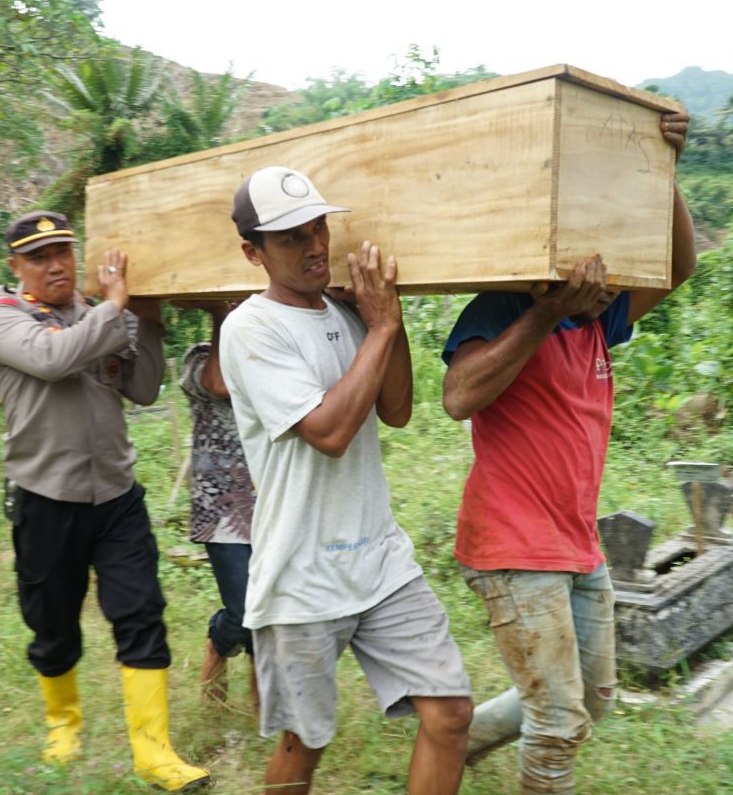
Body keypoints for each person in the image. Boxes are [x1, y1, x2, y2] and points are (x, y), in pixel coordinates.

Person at [439, 113, 696, 794]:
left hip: (577, 544)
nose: (611, 277)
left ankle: (456, 744)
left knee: (593, 701)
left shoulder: (599, 322)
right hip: (514, 544)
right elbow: (459, 396)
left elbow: (680, 269)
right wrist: (547, 313)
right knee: (557, 722)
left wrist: (665, 170)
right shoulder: (503, 309)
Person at [219, 166, 473, 795]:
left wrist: (391, 317)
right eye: (291, 239)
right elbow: (330, 434)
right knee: (303, 746)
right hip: (301, 576)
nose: (315, 247)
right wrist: (382, 327)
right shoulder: (250, 329)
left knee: (451, 714)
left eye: (318, 228)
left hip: (379, 561)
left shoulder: (347, 311)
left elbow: (397, 409)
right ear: (253, 252)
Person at [0, 210, 209, 791]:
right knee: (52, 623)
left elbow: (143, 387)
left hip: (116, 496)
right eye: (38, 256)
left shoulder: (93, 312)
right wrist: (117, 306)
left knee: (141, 612)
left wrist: (147, 324)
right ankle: (63, 725)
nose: (55, 264)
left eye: (63, 251)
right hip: (45, 499)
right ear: (14, 266)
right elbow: (54, 361)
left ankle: (154, 754)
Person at [174, 301, 257, 707]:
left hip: (274, 503)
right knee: (243, 611)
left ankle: (267, 717)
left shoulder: (269, 353)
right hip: (223, 509)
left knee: (271, 615)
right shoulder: (199, 358)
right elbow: (220, 384)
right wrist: (222, 313)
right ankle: (216, 641)